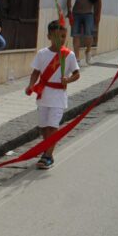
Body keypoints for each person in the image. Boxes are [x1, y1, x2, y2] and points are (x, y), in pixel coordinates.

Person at [25, 20, 80, 169]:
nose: (61, 39)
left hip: (58, 96)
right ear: (49, 36)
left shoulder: (69, 55)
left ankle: (47, 156)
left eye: (63, 36)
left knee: (52, 125)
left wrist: (67, 79)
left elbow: (77, 74)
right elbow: (35, 72)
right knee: (43, 126)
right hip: (44, 95)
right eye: (57, 36)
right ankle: (47, 150)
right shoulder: (42, 53)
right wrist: (31, 85)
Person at [67, 0, 102, 66]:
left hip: (89, 13)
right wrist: (69, 11)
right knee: (76, 35)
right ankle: (77, 58)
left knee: (88, 35)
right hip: (76, 12)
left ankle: (88, 51)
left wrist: (98, 14)